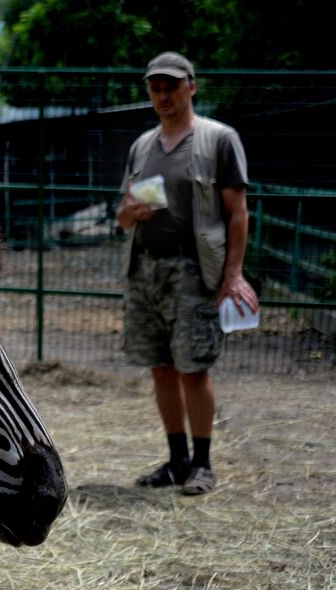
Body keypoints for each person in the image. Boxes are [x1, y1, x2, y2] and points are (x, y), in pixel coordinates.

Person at [116, 51, 259, 495]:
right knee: (161, 368)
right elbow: (121, 216)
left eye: (172, 87)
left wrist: (232, 276)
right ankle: (176, 461)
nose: (163, 95)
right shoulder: (142, 145)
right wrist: (130, 213)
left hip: (194, 272)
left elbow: (238, 213)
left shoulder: (219, 140)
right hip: (145, 273)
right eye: (155, 88)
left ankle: (203, 463)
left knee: (193, 369)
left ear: (191, 87)